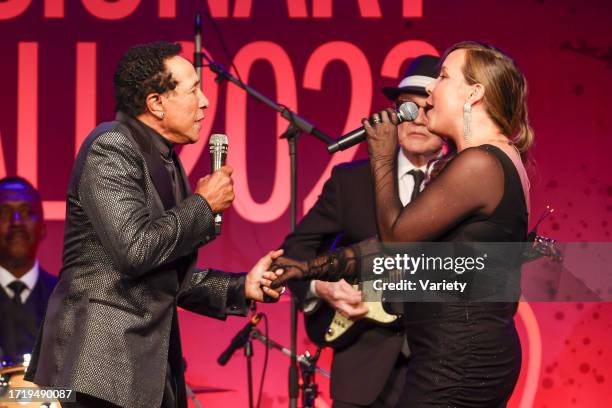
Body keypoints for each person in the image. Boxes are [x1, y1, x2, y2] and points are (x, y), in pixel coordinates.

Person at [24, 41, 285, 408]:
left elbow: (165, 276)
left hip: (143, 369)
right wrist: (203, 203)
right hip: (102, 367)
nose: (206, 102)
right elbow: (136, 251)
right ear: (156, 103)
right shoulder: (111, 147)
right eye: (193, 90)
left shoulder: (166, 161)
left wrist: (241, 287)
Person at [273, 41, 533, 407]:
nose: (430, 90)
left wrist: (379, 154)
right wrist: (316, 274)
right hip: (445, 355)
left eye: (443, 76)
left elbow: (396, 243)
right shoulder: (487, 159)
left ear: (474, 92)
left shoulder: (480, 164)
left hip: (457, 360)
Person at [281, 55, 442, 408]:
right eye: (406, 108)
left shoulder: (462, 182)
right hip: (361, 372)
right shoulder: (351, 182)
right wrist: (320, 286)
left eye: (427, 109)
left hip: (438, 373)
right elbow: (293, 254)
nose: (416, 120)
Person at [0, 177, 57, 360]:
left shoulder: (67, 299)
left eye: (26, 212)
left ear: (43, 228)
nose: (16, 222)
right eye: (3, 213)